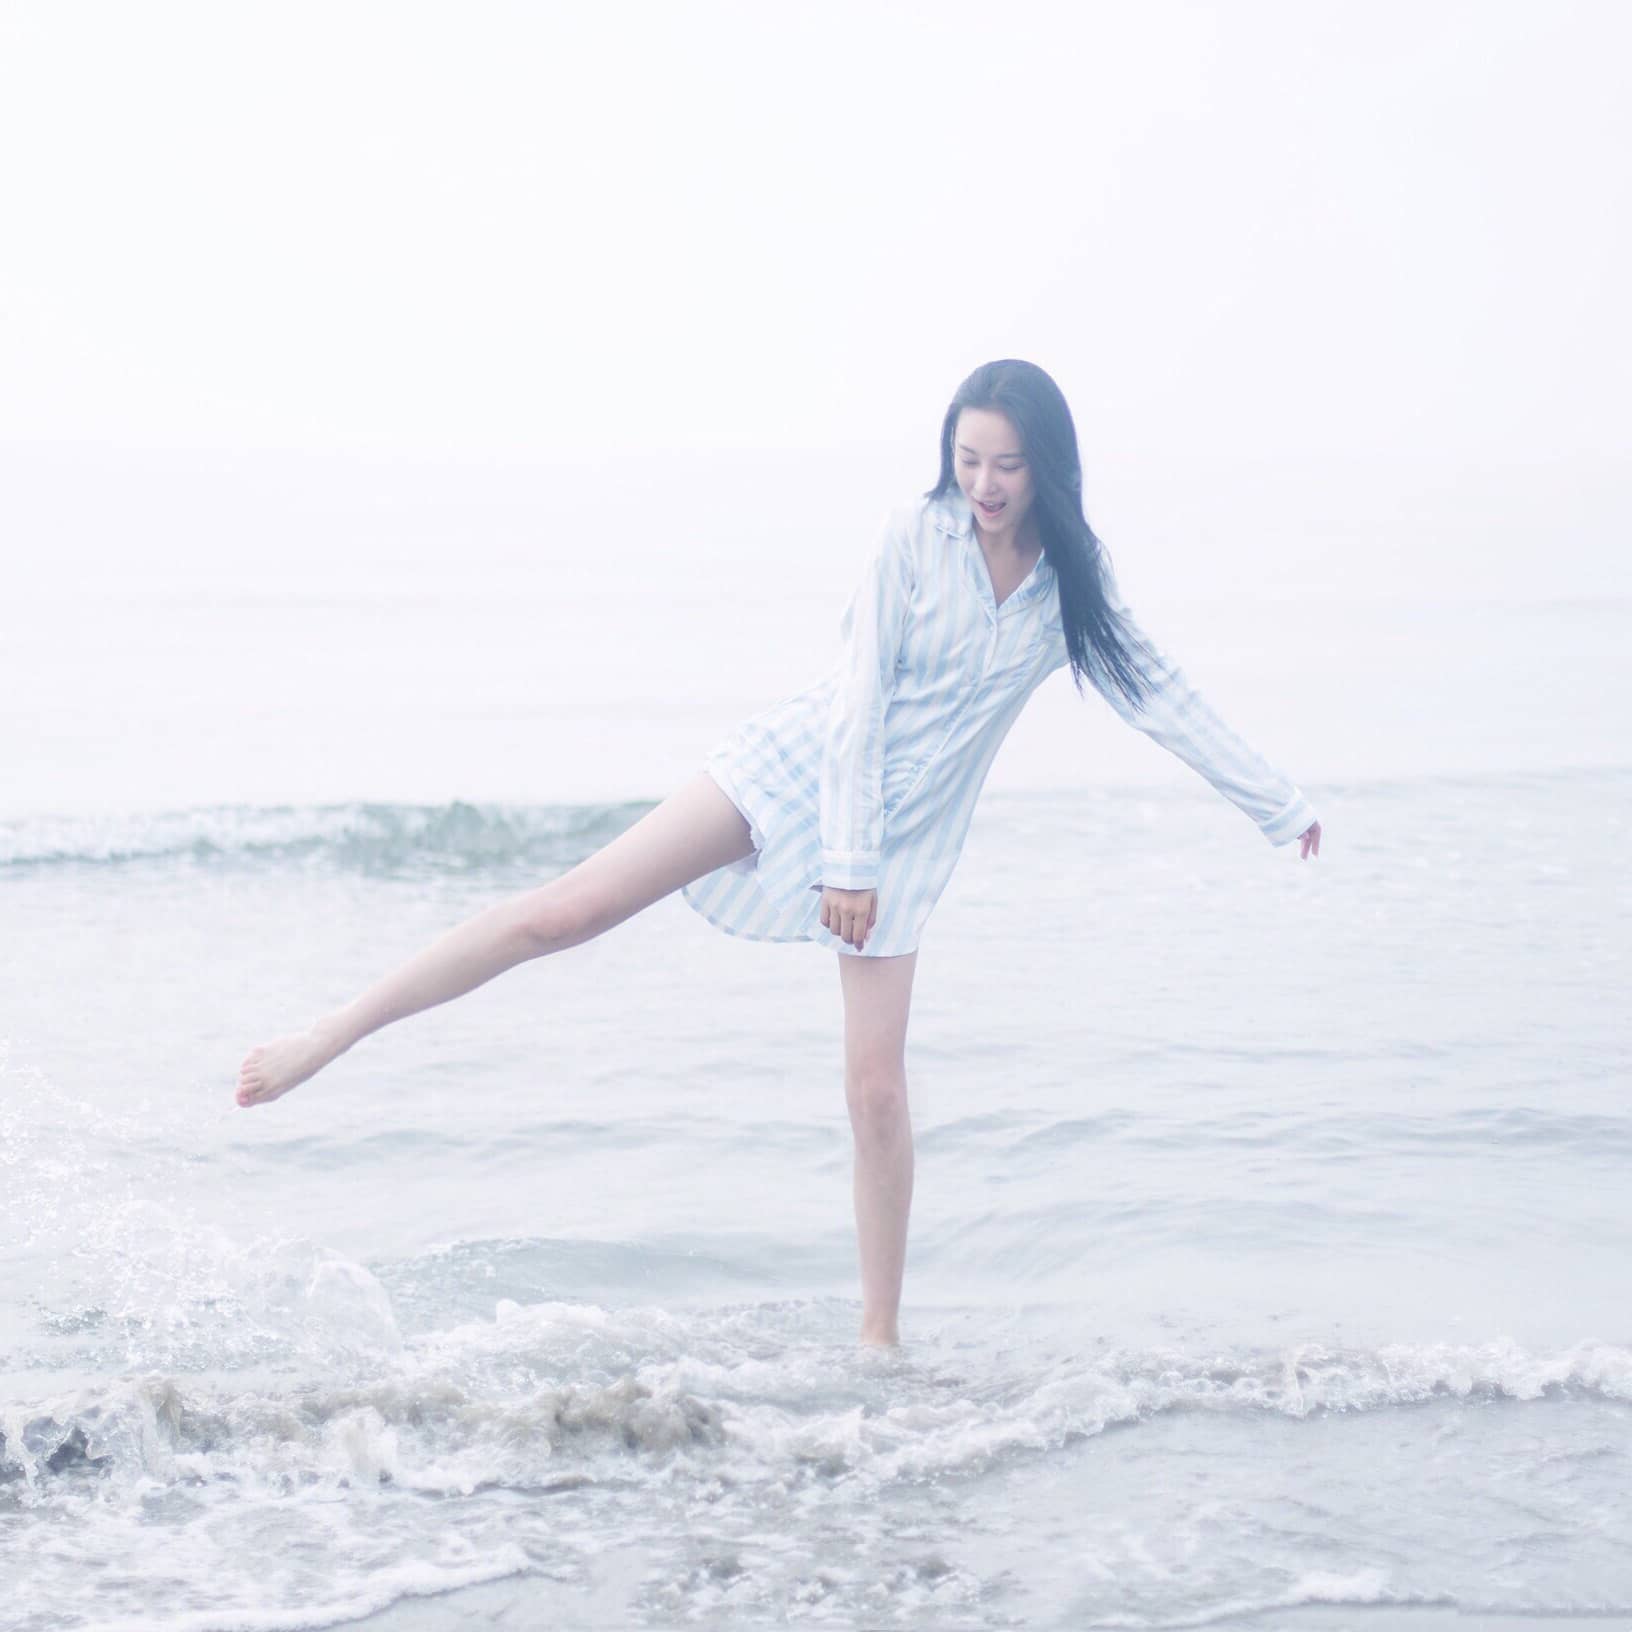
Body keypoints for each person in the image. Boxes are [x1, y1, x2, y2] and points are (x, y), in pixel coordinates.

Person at [236, 358, 1321, 1347]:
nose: (984, 484)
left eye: (1007, 464)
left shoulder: (1069, 585)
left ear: (1048, 465)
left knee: (877, 1095)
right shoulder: (914, 538)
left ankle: (879, 1342)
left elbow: (1159, 692)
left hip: (905, 848)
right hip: (801, 773)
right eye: (967, 459)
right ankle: (332, 1033)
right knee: (566, 914)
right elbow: (857, 703)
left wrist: (1278, 805)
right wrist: (845, 860)